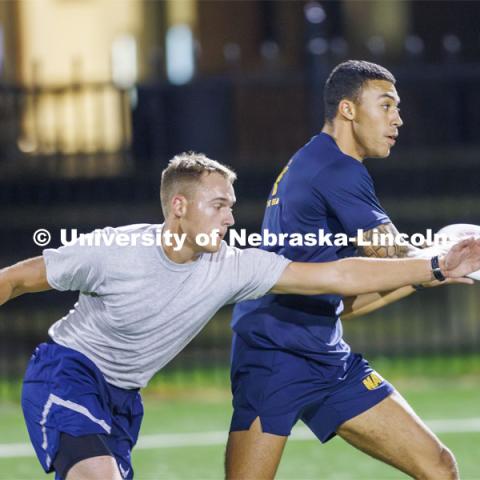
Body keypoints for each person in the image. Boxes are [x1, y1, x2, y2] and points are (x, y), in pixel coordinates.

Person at [1, 153, 479, 480]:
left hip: (125, 398)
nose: (230, 218)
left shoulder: (231, 265)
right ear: (179, 207)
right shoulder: (115, 250)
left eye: (231, 205)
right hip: (68, 374)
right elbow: (17, 278)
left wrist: (433, 264)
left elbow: (334, 274)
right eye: (218, 205)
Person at [226, 60, 467, 480]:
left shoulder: (315, 159)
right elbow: (392, 256)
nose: (398, 119)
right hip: (274, 357)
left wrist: (438, 269)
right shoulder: (336, 168)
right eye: (386, 105)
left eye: (397, 108)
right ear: (348, 110)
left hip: (325, 355)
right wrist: (442, 257)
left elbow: (344, 298)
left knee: (439, 467)